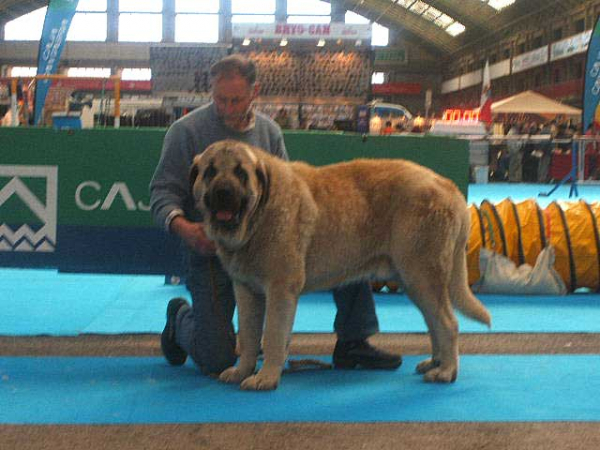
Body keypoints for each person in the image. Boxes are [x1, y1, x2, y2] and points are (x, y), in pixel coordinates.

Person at [150, 54, 402, 377]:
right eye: (220, 99)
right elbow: (161, 192)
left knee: (346, 238)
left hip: (264, 248)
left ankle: (354, 341)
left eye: (236, 100)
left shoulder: (269, 132)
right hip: (211, 250)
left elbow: (290, 191)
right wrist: (184, 228)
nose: (227, 107)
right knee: (216, 359)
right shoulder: (185, 132)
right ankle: (180, 319)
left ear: (254, 92)